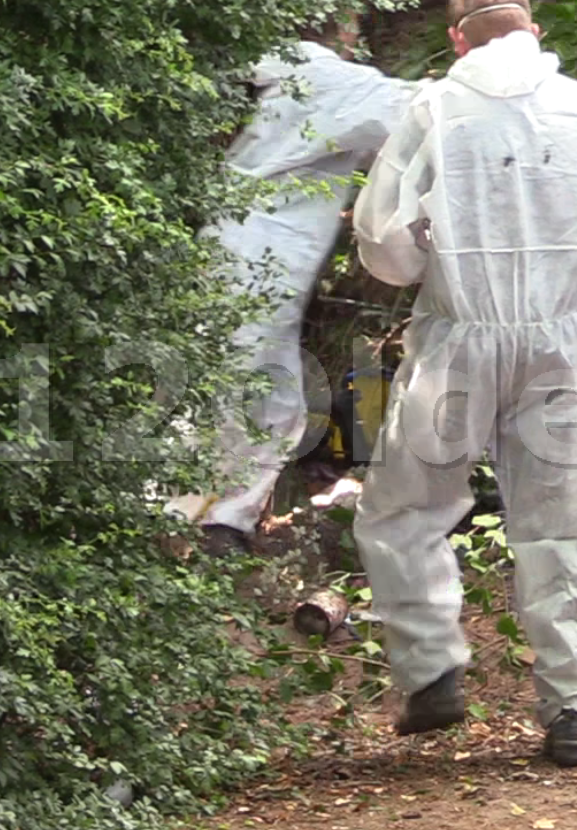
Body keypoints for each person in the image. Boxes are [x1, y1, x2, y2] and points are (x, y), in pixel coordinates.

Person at [351, 0, 577, 768]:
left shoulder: (433, 112)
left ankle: (431, 670)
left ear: (457, 36)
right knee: (570, 520)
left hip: (458, 336)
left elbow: (384, 244)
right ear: (532, 28)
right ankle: (572, 708)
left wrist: (434, 255)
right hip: (560, 340)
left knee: (403, 509)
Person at [167, 36, 420, 554]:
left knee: (225, 379)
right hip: (268, 254)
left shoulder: (268, 68)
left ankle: (199, 513)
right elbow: (432, 111)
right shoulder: (332, 80)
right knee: (253, 389)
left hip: (228, 240)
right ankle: (199, 519)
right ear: (342, 35)